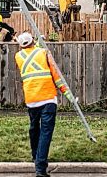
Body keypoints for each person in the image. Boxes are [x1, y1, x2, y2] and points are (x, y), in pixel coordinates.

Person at [14, 32, 74, 177]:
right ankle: (40, 168)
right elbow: (56, 75)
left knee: (34, 129)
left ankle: (36, 156)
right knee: (45, 133)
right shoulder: (44, 53)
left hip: (32, 99)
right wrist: (67, 94)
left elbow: (31, 54)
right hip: (48, 99)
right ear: (33, 41)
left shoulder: (18, 56)